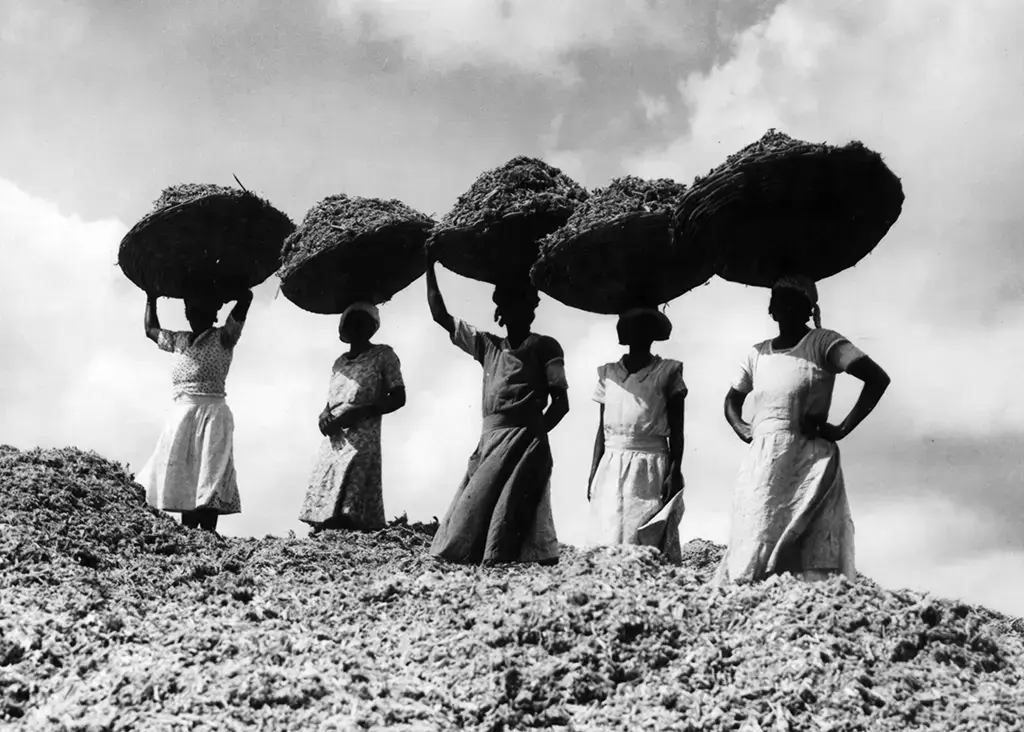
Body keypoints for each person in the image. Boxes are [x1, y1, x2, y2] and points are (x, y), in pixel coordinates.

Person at [717, 274, 890, 584]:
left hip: (809, 460)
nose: (787, 310)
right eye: (780, 303)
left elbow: (876, 378)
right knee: (755, 537)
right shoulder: (757, 354)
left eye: (796, 304)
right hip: (764, 462)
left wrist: (841, 429)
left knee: (809, 555)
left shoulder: (824, 343)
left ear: (809, 309)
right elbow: (732, 400)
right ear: (771, 310)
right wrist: (743, 427)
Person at [425, 253, 569, 565]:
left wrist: (533, 436)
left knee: (516, 511)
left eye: (526, 305)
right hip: (490, 442)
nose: (521, 313)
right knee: (470, 518)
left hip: (526, 440)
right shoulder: (488, 345)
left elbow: (561, 403)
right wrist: (429, 265)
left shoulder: (545, 347)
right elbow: (440, 316)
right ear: (500, 312)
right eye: (510, 305)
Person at [138, 288, 253, 532]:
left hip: (212, 414)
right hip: (182, 415)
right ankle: (189, 534)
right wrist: (151, 297)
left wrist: (225, 293)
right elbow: (150, 331)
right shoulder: (179, 340)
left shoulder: (224, 337)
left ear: (214, 314)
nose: (194, 313)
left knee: (210, 472)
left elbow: (246, 297)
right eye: (191, 308)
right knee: (184, 473)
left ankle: (209, 534)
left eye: (202, 308)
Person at [298, 302, 406, 534]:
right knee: (326, 503)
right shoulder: (339, 363)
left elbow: (398, 396)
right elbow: (331, 400)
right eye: (352, 322)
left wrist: (361, 411)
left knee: (351, 506)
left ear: (372, 326)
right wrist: (324, 416)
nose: (357, 327)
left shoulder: (383, 355)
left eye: (363, 321)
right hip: (335, 438)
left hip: (363, 435)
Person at [586, 308, 686, 557]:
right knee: (608, 530)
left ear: (653, 333)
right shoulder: (609, 374)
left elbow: (677, 429)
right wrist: (594, 471)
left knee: (642, 532)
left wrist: (675, 470)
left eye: (643, 327)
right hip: (612, 461)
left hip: (649, 464)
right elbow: (602, 430)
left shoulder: (667, 372)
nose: (637, 333)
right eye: (630, 327)